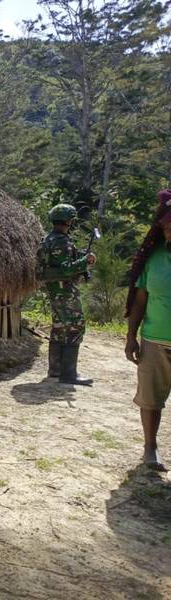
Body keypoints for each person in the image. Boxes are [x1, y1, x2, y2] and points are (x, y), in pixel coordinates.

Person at [124, 189, 171, 472]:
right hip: (154, 341)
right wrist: (131, 336)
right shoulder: (153, 261)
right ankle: (150, 447)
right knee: (151, 399)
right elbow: (140, 300)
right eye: (166, 227)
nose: (169, 232)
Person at [37, 203, 97, 385]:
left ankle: (55, 370)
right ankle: (69, 374)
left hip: (55, 289)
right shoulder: (61, 241)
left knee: (59, 327)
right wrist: (84, 261)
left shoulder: (50, 239)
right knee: (75, 326)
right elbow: (65, 269)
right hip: (65, 290)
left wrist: (81, 256)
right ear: (68, 221)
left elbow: (63, 258)